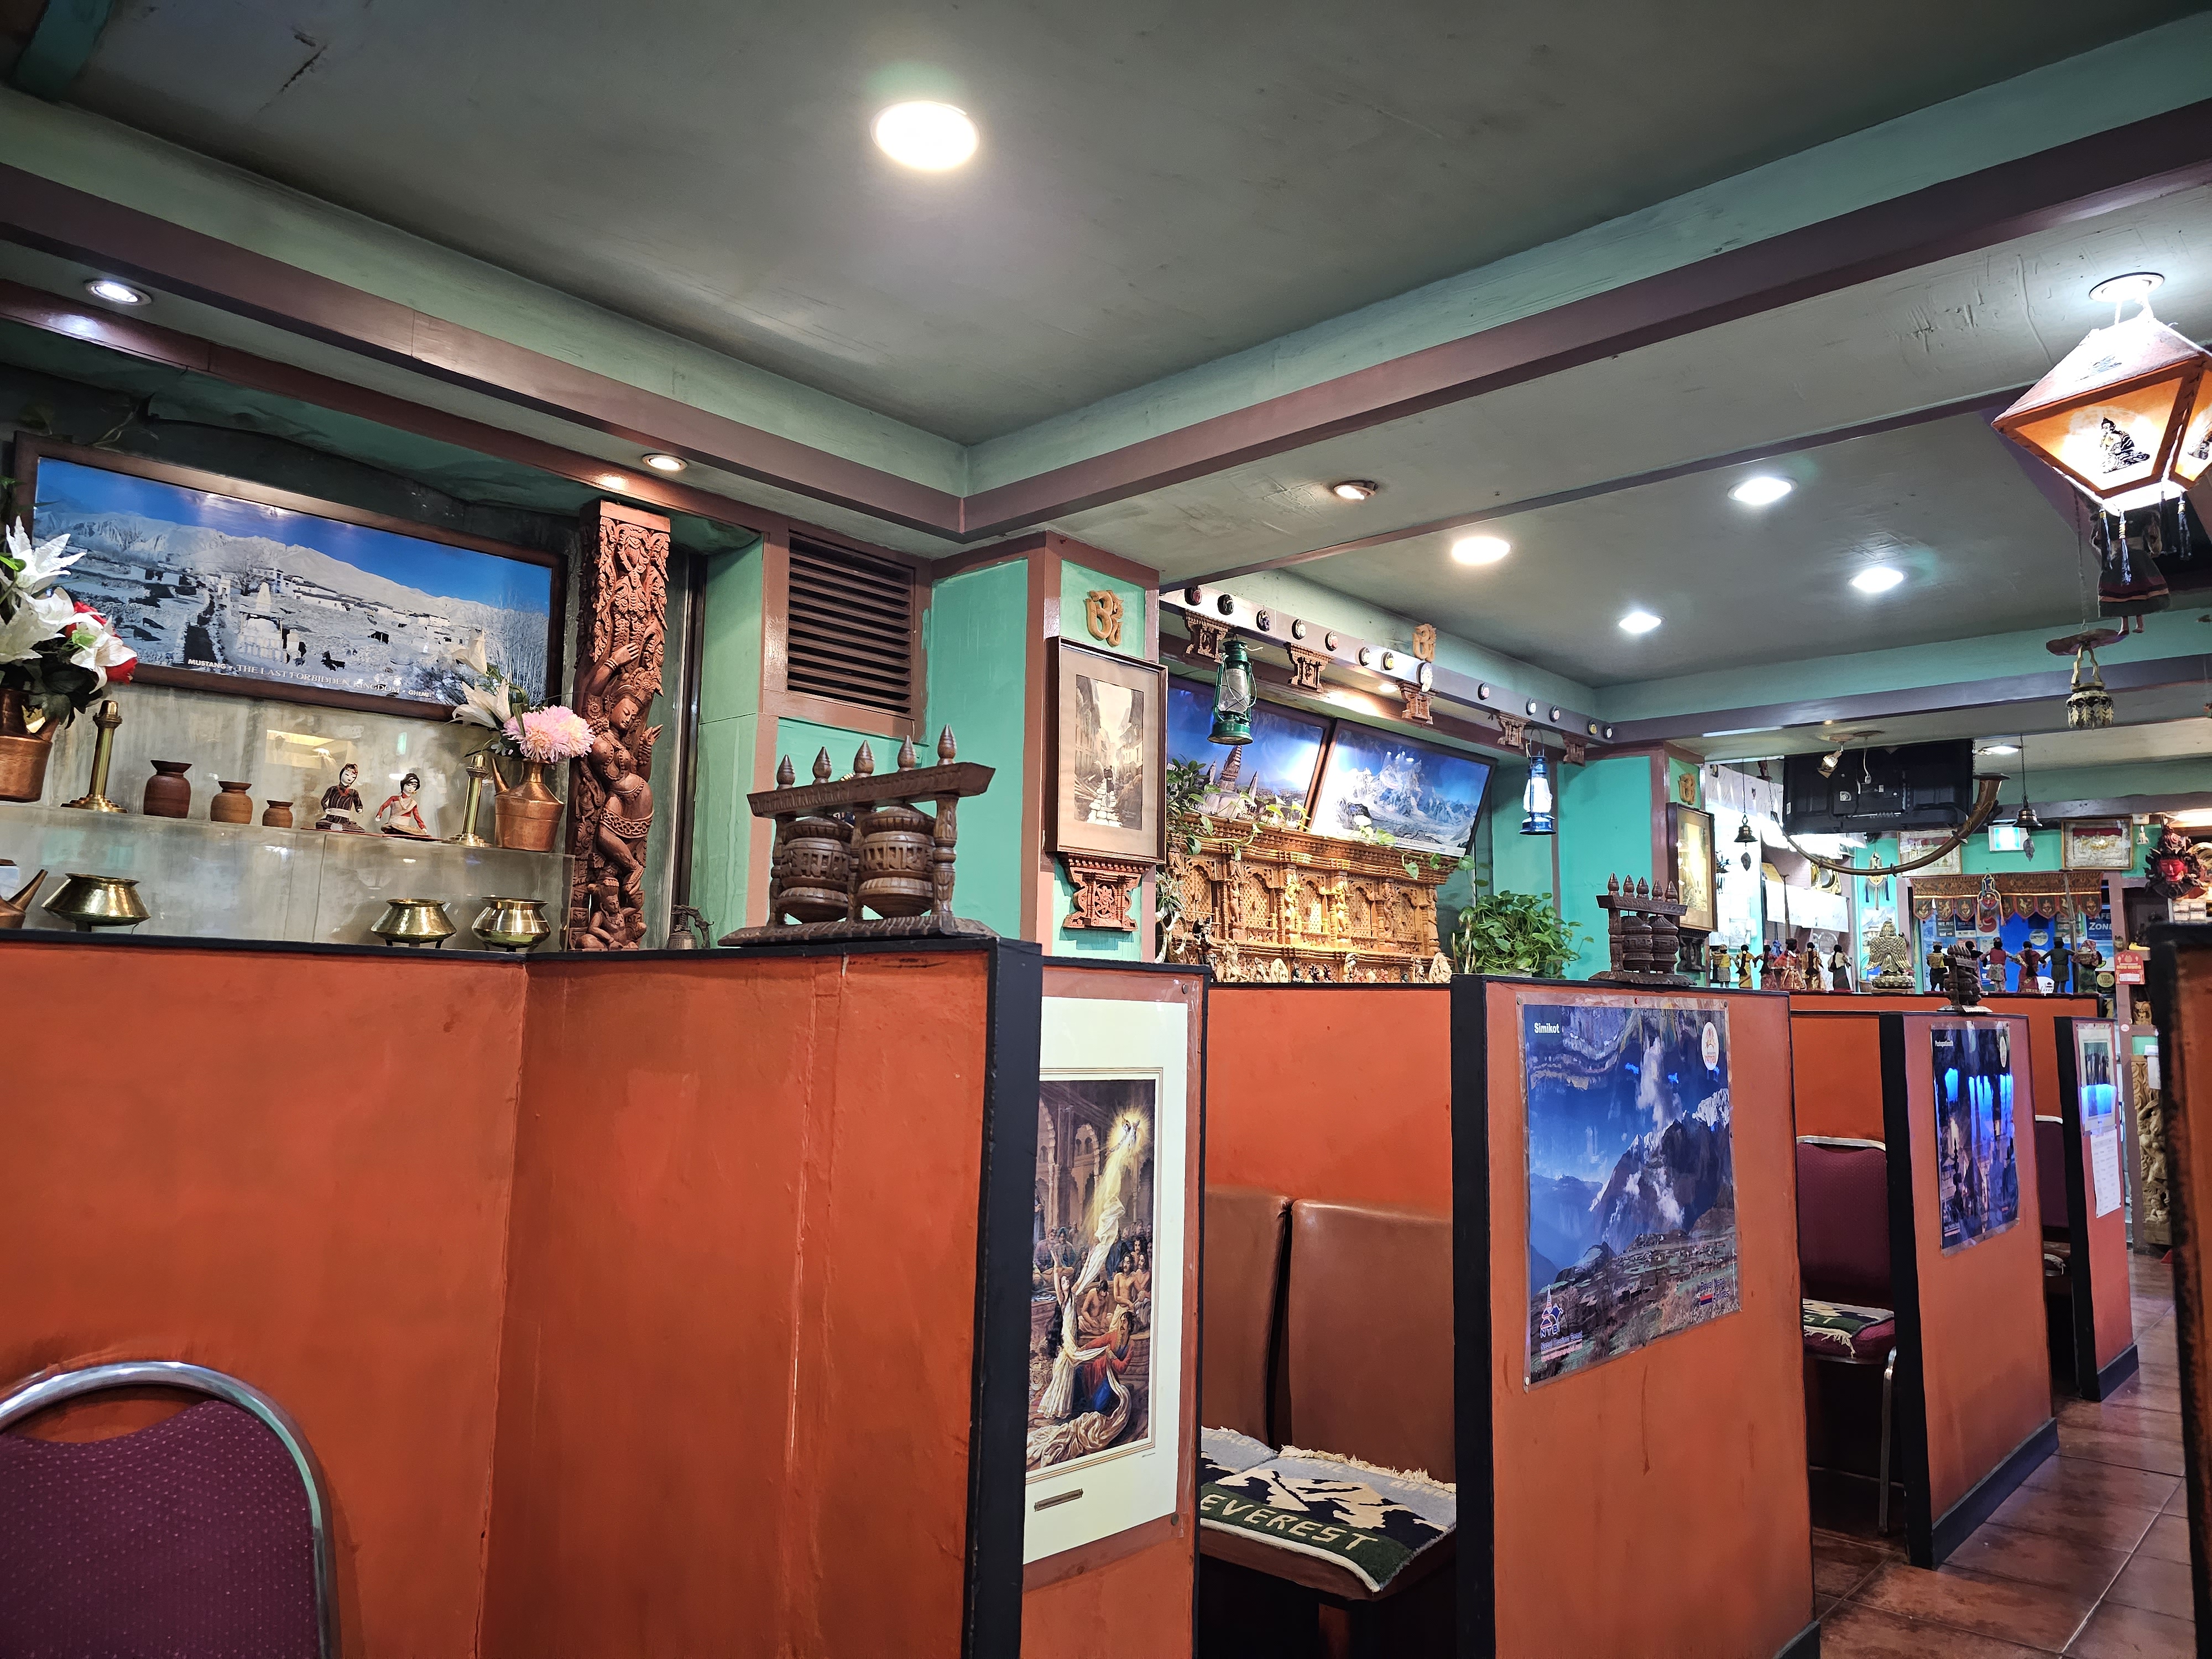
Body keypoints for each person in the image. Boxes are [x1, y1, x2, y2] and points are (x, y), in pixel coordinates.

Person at [375, 770, 431, 837]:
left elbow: (417, 816)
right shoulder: (394, 798)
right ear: (403, 785)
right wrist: (379, 814)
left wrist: (423, 827)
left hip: (405, 828)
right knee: (387, 827)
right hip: (393, 826)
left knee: (415, 832)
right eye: (408, 785)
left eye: (414, 786)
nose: (411, 788)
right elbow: (384, 806)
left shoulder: (413, 803)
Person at [316, 762, 366, 833]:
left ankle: (342, 827)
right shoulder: (333, 789)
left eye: (353, 777)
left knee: (356, 828)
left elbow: (357, 803)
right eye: (347, 775)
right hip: (331, 818)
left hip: (345, 820)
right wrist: (326, 808)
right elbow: (324, 801)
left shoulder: (354, 792)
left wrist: (359, 808)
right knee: (321, 824)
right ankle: (334, 826)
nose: (349, 778)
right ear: (342, 774)